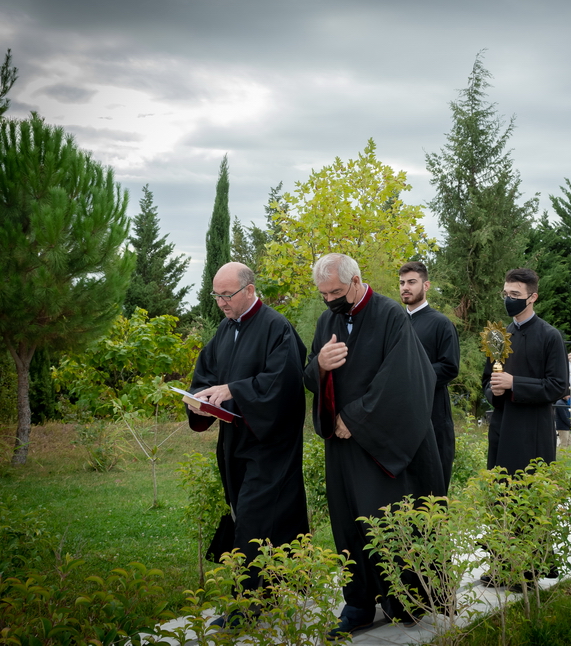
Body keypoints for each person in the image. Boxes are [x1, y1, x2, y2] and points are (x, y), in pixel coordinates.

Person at [303, 253, 445, 637]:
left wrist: (357, 418)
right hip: (342, 447)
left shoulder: (390, 316)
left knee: (388, 522)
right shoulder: (326, 320)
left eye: (334, 291)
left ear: (356, 280)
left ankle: (404, 599)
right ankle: (359, 603)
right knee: (348, 525)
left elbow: (402, 380)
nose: (329, 299)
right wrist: (319, 364)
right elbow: (307, 375)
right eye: (323, 293)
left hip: (382, 446)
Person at [187, 262, 309, 626]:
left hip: (270, 443)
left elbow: (283, 384)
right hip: (235, 443)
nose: (221, 303)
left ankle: (248, 605)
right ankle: (277, 585)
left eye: (228, 295)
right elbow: (206, 374)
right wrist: (198, 398)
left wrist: (234, 391)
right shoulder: (225, 331)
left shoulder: (276, 327)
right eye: (217, 295)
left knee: (255, 519)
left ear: (250, 289)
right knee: (245, 514)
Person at [483, 268, 569, 476]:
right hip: (503, 426)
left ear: (533, 298)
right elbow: (486, 380)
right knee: (500, 495)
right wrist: (493, 391)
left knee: (530, 495)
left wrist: (513, 383)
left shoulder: (550, 336)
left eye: (515, 295)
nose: (509, 299)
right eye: (506, 294)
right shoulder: (499, 337)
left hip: (534, 429)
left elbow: (558, 386)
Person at [399, 261, 461, 487]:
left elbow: (449, 367)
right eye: (402, 283)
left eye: (412, 282)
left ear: (426, 286)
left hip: (432, 413)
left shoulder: (441, 324)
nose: (406, 287)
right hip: (397, 416)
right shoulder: (393, 322)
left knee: (431, 485)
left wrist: (410, 375)